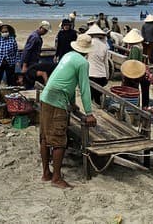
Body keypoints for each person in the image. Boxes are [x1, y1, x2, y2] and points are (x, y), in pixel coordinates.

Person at [39, 34, 97, 189]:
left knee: (45, 137)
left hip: (46, 96)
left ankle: (46, 173)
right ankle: (56, 178)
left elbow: (68, 82)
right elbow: (84, 89)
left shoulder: (68, 55)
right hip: (57, 101)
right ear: (88, 51)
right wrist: (89, 113)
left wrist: (72, 103)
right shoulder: (83, 63)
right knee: (59, 141)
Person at [85, 24, 110, 105]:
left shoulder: (88, 45)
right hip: (101, 75)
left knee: (90, 96)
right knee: (98, 97)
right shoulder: (104, 46)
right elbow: (106, 63)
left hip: (91, 74)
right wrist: (107, 76)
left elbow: (85, 60)